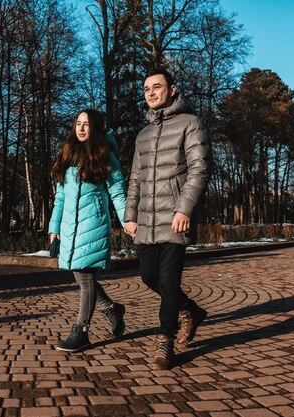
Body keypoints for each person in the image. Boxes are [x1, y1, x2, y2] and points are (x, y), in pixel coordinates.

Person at [124, 69, 211, 370]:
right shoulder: (143, 134)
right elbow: (135, 178)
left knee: (168, 281)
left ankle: (165, 341)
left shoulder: (191, 123)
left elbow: (199, 170)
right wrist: (129, 215)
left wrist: (184, 208)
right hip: (146, 221)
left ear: (172, 90)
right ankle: (192, 311)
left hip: (175, 217)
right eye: (146, 88)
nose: (150, 93)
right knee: (149, 277)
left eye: (156, 87)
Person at [48, 109, 128, 353]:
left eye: (87, 125)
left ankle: (81, 331)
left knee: (85, 277)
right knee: (81, 275)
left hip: (92, 224)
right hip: (69, 227)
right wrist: (54, 228)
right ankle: (111, 309)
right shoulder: (68, 154)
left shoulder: (105, 157)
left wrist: (129, 222)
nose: (81, 128)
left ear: (96, 129)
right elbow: (60, 196)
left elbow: (118, 193)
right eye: (78, 124)